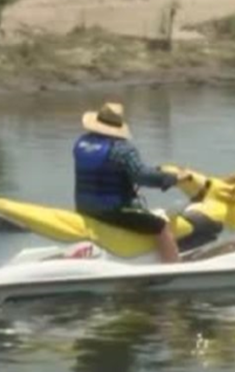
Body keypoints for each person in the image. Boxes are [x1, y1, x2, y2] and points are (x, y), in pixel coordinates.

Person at [73, 101, 184, 263]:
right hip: (112, 212)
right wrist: (169, 178)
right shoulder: (122, 149)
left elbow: (102, 172)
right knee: (160, 226)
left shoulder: (82, 143)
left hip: (84, 208)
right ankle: (174, 268)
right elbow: (141, 175)